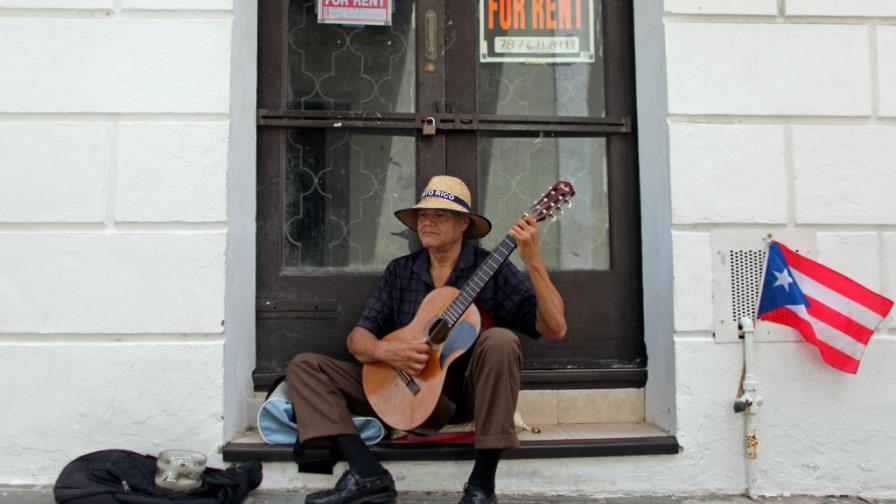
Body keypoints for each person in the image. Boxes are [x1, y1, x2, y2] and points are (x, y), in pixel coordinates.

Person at [287, 175, 567, 504]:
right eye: (422, 215)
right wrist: (386, 350)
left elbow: (555, 328)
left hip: (461, 395)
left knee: (502, 341)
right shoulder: (400, 271)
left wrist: (532, 260)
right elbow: (358, 338)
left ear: (464, 223)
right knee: (305, 367)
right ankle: (366, 472)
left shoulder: (491, 268)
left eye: (439, 215)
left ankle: (481, 486)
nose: (428, 221)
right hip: (398, 390)